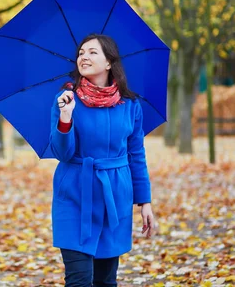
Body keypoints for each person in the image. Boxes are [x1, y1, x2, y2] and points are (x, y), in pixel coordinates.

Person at [49, 34, 157, 287]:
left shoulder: (130, 105)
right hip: (75, 193)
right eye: (81, 52)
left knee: (106, 280)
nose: (84, 57)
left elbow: (136, 154)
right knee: (79, 279)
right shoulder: (66, 99)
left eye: (92, 52)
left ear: (109, 62)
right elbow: (62, 153)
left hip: (114, 197)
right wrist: (65, 117)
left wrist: (145, 201)